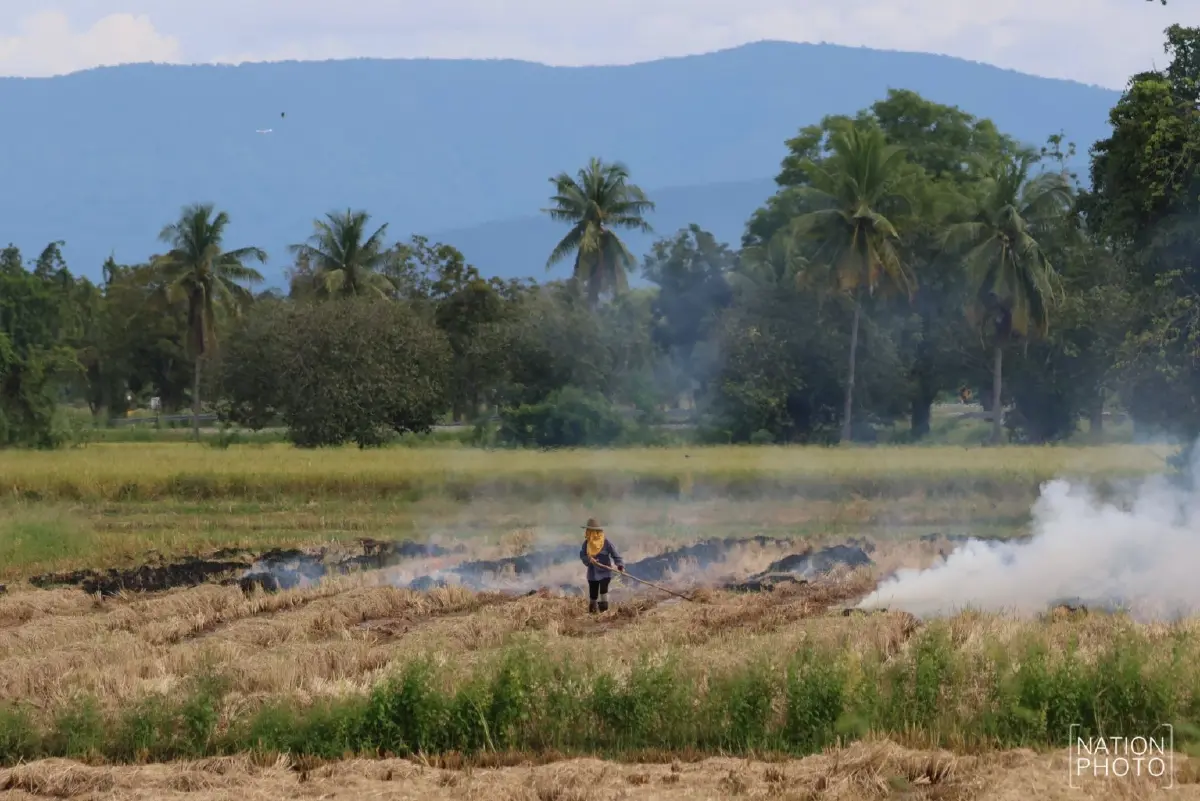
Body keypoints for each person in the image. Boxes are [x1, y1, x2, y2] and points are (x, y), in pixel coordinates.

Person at [579, 517, 624, 613]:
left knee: (603, 590)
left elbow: (615, 554)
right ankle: (593, 612)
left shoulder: (606, 542)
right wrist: (589, 560)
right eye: (589, 531)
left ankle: (604, 612)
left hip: (605, 572)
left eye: (593, 531)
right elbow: (582, 555)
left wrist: (619, 565)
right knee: (593, 594)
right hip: (592, 573)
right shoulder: (586, 543)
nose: (590, 533)